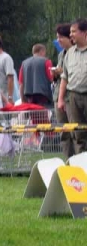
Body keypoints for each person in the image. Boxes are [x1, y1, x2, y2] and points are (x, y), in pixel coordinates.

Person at [58, 19, 87, 154]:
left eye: (74, 31)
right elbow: (64, 77)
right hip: (74, 97)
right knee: (78, 134)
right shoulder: (69, 53)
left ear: (84, 33)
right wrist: (60, 99)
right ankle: (82, 167)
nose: (71, 35)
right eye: (70, 32)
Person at [52, 23, 75, 160]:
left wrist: (63, 73)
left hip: (72, 96)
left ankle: (80, 160)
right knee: (63, 131)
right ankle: (68, 160)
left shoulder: (77, 53)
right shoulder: (61, 54)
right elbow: (59, 77)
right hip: (58, 96)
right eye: (57, 37)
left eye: (61, 37)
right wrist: (55, 74)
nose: (59, 40)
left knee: (76, 131)